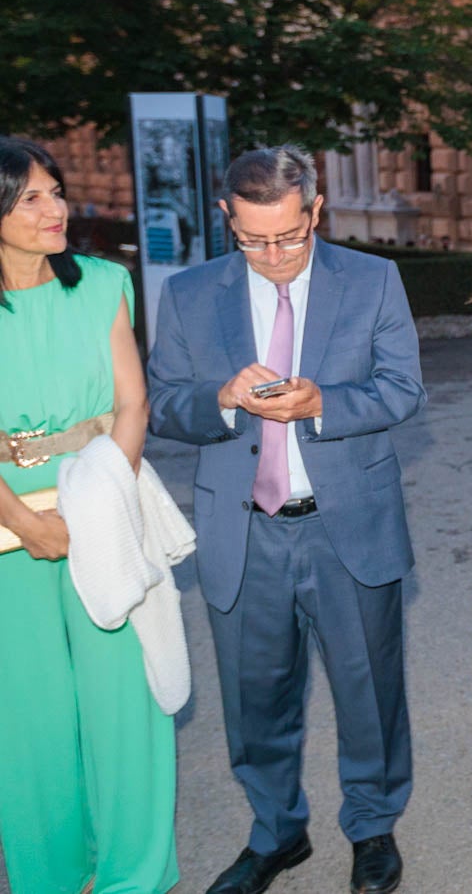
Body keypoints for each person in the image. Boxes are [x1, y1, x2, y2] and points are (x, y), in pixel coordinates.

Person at [148, 146, 425, 894]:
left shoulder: (372, 280)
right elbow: (163, 402)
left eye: (289, 236)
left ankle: (371, 826)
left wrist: (323, 402)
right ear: (225, 218)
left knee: (369, 692)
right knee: (254, 697)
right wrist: (222, 398)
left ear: (315, 211)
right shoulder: (188, 293)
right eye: (252, 238)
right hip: (245, 532)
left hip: (349, 529)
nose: (273, 255)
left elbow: (403, 390)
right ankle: (277, 830)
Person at [0, 137, 179, 893]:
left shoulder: (105, 281)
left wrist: (99, 500)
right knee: (30, 722)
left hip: (103, 507)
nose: (55, 208)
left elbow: (132, 404)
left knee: (127, 706)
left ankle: (134, 878)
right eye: (31, 196)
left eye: (56, 190)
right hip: (7, 533)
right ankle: (50, 878)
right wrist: (27, 522)